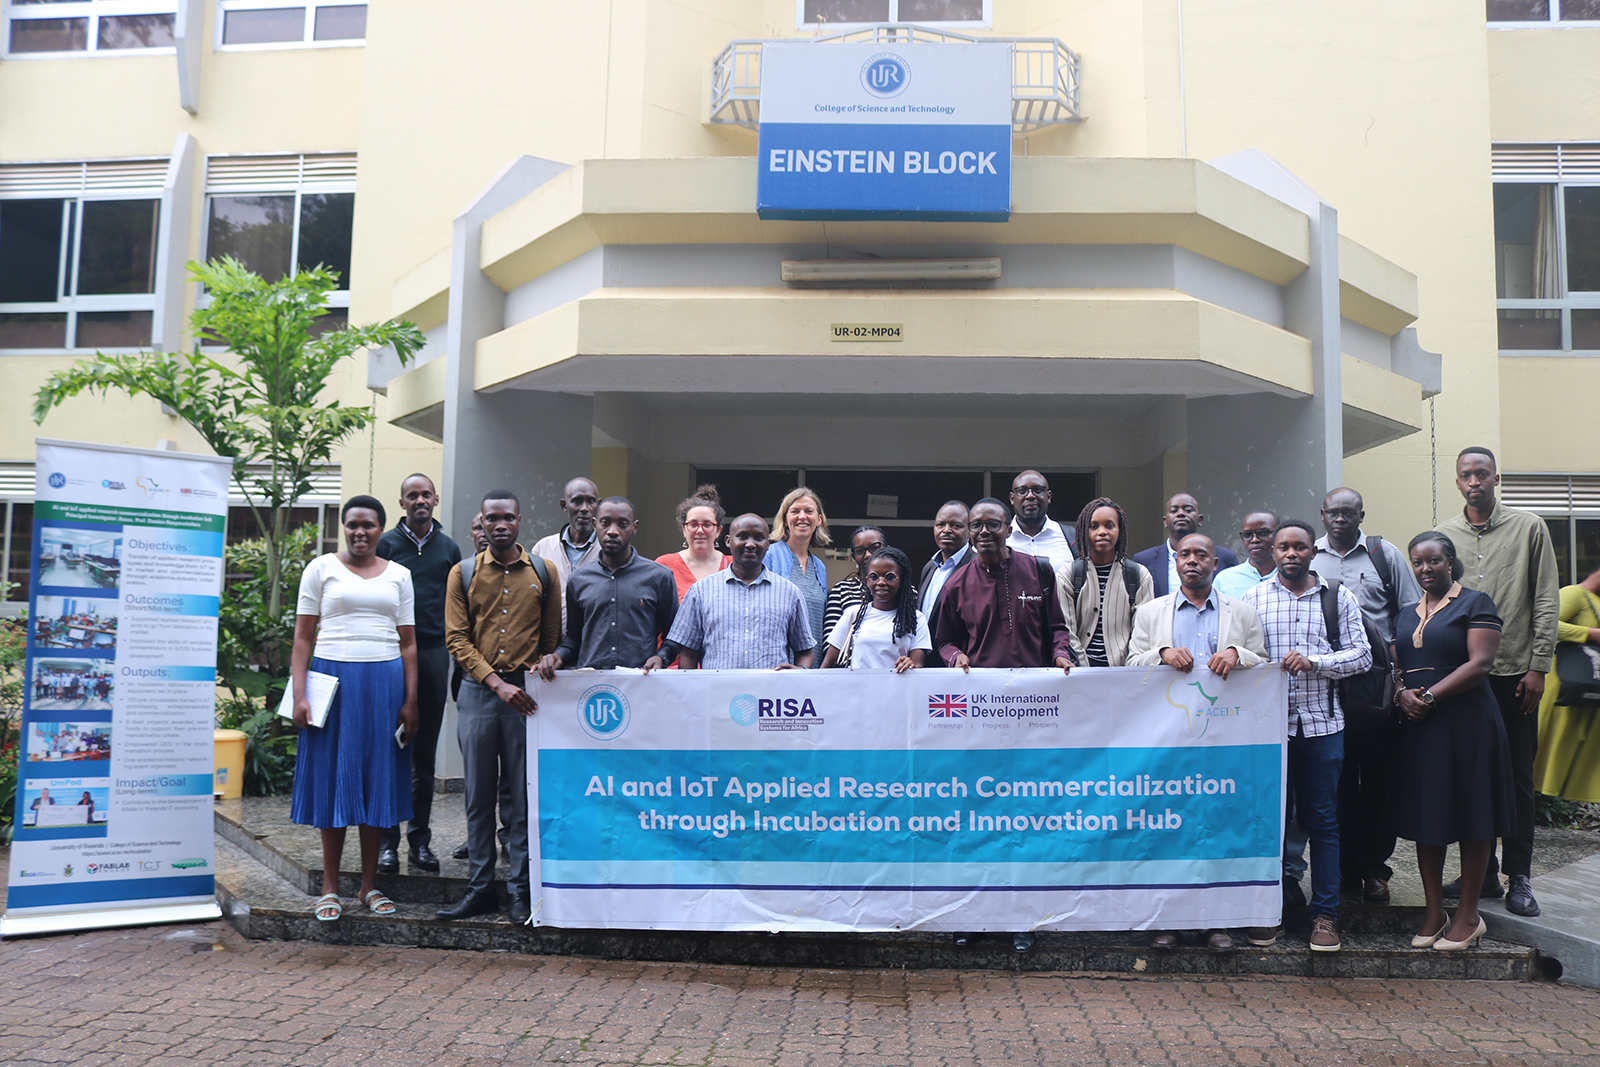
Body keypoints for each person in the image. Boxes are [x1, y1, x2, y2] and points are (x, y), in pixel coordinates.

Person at [934, 497, 1072, 953]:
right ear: (970, 532)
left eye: (992, 524)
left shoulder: (1040, 570)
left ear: (1007, 527)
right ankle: (973, 915)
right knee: (975, 819)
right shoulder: (956, 582)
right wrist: (955, 657)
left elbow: (1057, 627)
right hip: (978, 721)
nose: (984, 532)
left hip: (1033, 719)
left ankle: (1023, 919)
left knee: (1026, 822)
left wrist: (1060, 653)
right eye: (977, 526)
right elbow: (943, 640)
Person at [1127, 532, 1266, 954]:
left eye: (1200, 555)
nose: (1192, 561)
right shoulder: (1151, 613)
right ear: (1176, 563)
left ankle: (1215, 922)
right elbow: (1132, 662)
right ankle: (1166, 921)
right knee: (1167, 828)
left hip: (1224, 741)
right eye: (1184, 554)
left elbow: (1264, 664)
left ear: (1215, 563)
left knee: (1216, 827)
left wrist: (1237, 654)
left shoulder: (1242, 612)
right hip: (1167, 740)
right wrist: (1163, 653)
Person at [1437, 446, 1560, 918]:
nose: (1475, 482)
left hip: (1514, 675)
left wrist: (1538, 666)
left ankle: (1520, 877)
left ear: (1496, 478)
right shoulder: (1445, 535)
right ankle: (1482, 874)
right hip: (1464, 677)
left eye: (1482, 474)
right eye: (1466, 475)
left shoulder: (1530, 527)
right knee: (1472, 775)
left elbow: (1545, 598)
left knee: (1518, 777)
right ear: (1457, 481)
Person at [1241, 520, 1371, 954]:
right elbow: (1237, 653)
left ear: (1312, 551)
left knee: (1323, 823)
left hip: (1321, 728)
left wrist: (1315, 662)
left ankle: (1325, 915)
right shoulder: (1252, 598)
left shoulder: (1337, 597)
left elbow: (1362, 655)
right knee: (1269, 824)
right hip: (1266, 731)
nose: (1291, 553)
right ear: (1273, 552)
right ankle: (1268, 911)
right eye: (1284, 547)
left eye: (1300, 546)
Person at [290, 494, 419, 923]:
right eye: (352, 524)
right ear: (343, 527)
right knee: (334, 779)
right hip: (332, 683)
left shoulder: (400, 575)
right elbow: (303, 638)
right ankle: (330, 887)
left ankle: (368, 885)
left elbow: (409, 643)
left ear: (381, 529)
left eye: (368, 525)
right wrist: (300, 694)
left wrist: (410, 700)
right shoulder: (320, 569)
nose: (360, 532)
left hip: (383, 683)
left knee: (374, 779)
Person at [441, 490, 562, 925]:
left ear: (519, 520)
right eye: (492, 519)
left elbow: (551, 639)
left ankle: (519, 891)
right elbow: (457, 639)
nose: (500, 525)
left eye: (507, 518)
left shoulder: (544, 573)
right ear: (483, 523)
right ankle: (479, 889)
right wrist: (495, 683)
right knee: (478, 796)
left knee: (522, 799)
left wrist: (541, 668)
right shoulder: (464, 572)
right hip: (478, 693)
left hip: (526, 697)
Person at [1393, 531, 1516, 952]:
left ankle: (1468, 914)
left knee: (1472, 814)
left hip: (1467, 724)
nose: (1426, 569)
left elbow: (1481, 663)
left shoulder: (1475, 603)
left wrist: (1428, 696)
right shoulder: (1408, 613)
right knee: (1430, 819)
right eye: (1418, 562)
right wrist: (1402, 694)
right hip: (1422, 728)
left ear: (1450, 561)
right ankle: (1433, 912)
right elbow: (1399, 666)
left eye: (1434, 561)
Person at [1308, 487, 1421, 905]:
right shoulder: (1309, 555)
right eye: (1333, 512)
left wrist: (1404, 681)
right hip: (1325, 686)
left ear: (1361, 516)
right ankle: (1342, 869)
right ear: (1322, 515)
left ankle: (1375, 868)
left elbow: (1410, 616)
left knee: (1378, 781)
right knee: (1333, 783)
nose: (1340, 519)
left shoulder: (1383, 555)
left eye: (1348, 512)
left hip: (1377, 687)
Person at [374, 473, 463, 876]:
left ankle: (420, 843)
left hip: (431, 654)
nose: (420, 500)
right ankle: (387, 845)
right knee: (392, 752)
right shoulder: (387, 545)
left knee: (423, 753)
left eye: (426, 494)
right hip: (389, 655)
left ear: (436, 499)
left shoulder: (449, 549)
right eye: (412, 495)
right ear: (402, 502)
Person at [653, 513, 814, 670]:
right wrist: (691, 691)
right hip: (715, 694)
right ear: (728, 541)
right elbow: (688, 653)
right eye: (742, 536)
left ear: (768, 544)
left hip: (770, 695)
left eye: (758, 538)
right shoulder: (701, 591)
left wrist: (801, 670)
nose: (750, 544)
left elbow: (805, 649)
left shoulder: (789, 592)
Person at [539, 497, 677, 676]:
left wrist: (662, 657)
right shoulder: (578, 579)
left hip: (640, 683)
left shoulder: (659, 577)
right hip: (591, 688)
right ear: (595, 525)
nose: (613, 531)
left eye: (622, 524)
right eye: (605, 523)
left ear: (634, 527)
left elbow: (674, 635)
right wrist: (558, 656)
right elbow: (574, 637)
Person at [1058, 497, 1154, 667]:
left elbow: (1144, 632)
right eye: (1093, 526)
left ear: (1120, 530)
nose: (1102, 532)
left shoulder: (1139, 575)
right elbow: (1067, 630)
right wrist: (1083, 669)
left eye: (1109, 526)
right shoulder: (1068, 575)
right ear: (1083, 531)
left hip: (1125, 675)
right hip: (1079, 673)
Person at [1535, 560, 1600, 803]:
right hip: (1562, 684)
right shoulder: (1575, 593)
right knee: (1544, 747)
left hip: (1585, 688)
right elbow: (1546, 623)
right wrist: (1591, 634)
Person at [821, 546, 930, 672]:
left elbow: (918, 667)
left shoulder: (916, 619)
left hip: (897, 690)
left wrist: (909, 663)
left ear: (902, 581)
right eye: (874, 576)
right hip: (856, 690)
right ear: (867, 581)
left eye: (889, 577)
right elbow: (826, 667)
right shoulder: (853, 614)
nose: (881, 582)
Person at [763, 488, 831, 665]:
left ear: (818, 520)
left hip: (812, 666)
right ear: (785, 520)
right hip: (778, 664)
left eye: (809, 511)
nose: (802, 516)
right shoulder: (769, 556)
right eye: (795, 511)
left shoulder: (820, 567)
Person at [1133, 494, 1240, 598]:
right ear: (1165, 522)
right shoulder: (1144, 560)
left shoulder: (1225, 558)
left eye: (1188, 510)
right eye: (1174, 511)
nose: (1180, 514)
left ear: (1200, 520)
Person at [530, 477, 601, 628]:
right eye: (577, 501)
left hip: (593, 646)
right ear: (564, 505)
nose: (584, 508)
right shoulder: (543, 548)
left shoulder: (607, 551)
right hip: (550, 645)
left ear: (598, 505)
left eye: (591, 501)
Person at [656, 484, 730, 602]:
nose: (700, 531)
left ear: (718, 531)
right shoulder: (664, 565)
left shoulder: (734, 565)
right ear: (684, 529)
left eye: (707, 525)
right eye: (693, 525)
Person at [919, 501, 971, 647]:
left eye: (956, 525)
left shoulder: (976, 566)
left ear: (970, 530)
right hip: (926, 660)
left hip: (959, 661)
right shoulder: (929, 567)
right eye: (940, 525)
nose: (946, 530)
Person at [823, 525, 887, 638]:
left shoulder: (905, 591)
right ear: (853, 556)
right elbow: (830, 640)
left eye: (874, 548)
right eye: (860, 551)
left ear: (887, 549)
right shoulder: (841, 591)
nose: (868, 555)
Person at [1006, 470, 1075, 570]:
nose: (1030, 496)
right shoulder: (999, 538)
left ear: (1049, 496)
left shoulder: (1071, 537)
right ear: (1012, 498)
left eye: (1038, 490)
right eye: (1022, 491)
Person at [1214, 510, 1279, 599]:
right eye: (1247, 535)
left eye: (1263, 533)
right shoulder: (1224, 579)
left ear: (1279, 534)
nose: (1254, 540)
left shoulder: (1292, 577)